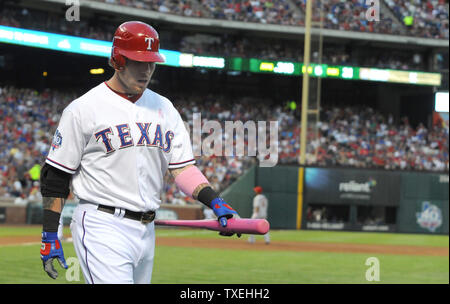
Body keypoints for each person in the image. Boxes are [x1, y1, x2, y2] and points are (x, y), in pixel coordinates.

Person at [39, 21, 240, 284]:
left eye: (151, 63)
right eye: (137, 61)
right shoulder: (83, 109)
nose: (146, 70)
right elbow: (56, 176)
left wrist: (215, 201)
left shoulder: (164, 107)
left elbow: (181, 168)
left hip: (147, 230)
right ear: (118, 59)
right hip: (102, 224)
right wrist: (50, 233)